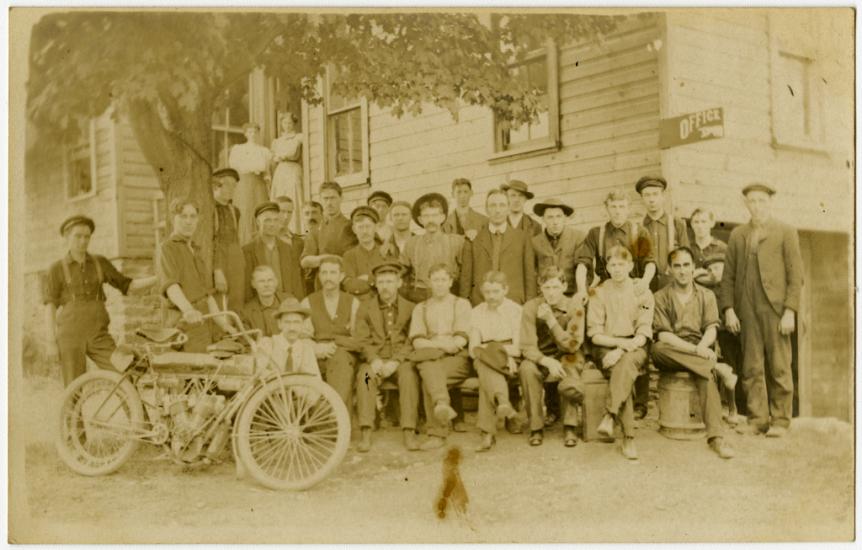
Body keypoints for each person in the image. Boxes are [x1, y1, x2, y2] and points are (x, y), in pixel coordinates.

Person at [720, 183, 803, 438]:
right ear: (746, 204)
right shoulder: (738, 235)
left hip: (775, 308)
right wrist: (729, 309)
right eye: (752, 201)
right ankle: (757, 419)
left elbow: (795, 275)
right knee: (751, 366)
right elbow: (728, 277)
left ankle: (780, 420)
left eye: (761, 201)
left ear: (770, 203)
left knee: (779, 365)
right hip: (746, 309)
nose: (756, 206)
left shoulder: (786, 232)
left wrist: (789, 310)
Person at [44, 215, 157, 386]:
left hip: (98, 334)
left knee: (124, 373)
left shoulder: (100, 262)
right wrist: (51, 342)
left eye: (87, 236)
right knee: (74, 387)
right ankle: (72, 414)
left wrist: (158, 278)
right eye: (78, 236)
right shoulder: (56, 269)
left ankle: (138, 414)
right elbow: (50, 307)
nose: (83, 241)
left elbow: (129, 285)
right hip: (70, 336)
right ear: (67, 237)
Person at [575, 190, 656, 419]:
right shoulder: (596, 233)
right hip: (607, 290)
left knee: (639, 339)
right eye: (613, 207)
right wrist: (582, 289)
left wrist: (646, 284)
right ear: (607, 208)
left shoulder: (638, 231)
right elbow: (583, 263)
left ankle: (640, 403)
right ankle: (602, 384)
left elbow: (650, 262)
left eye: (622, 207)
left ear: (628, 208)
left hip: (634, 288)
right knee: (598, 329)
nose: (618, 211)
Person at [651, 246, 736, 459]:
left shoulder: (706, 295)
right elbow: (663, 336)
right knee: (657, 348)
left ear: (694, 268)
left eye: (687, 265)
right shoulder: (660, 296)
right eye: (677, 266)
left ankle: (716, 438)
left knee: (705, 376)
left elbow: (711, 329)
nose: (682, 270)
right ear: (669, 269)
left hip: (700, 348)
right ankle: (717, 367)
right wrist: (697, 352)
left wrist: (702, 347)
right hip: (673, 350)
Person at [588, 245, 654, 460]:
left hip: (635, 345)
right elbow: (595, 335)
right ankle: (628, 438)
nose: (617, 269)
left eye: (621, 265)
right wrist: (618, 346)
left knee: (623, 366)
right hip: (606, 345)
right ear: (606, 267)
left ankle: (610, 415)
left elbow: (644, 330)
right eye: (612, 265)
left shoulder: (642, 292)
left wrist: (626, 347)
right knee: (622, 369)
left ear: (631, 266)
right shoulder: (598, 292)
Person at [354, 261, 421, 452]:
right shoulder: (365, 308)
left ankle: (409, 430)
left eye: (390, 282)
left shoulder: (410, 308)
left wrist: (396, 361)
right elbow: (362, 339)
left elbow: (411, 340)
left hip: (400, 360)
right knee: (365, 376)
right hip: (374, 359)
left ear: (399, 283)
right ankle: (366, 430)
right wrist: (373, 359)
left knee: (409, 376)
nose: (385, 286)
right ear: (375, 283)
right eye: (381, 282)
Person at [518, 266, 586, 448]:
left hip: (567, 355)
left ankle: (570, 425)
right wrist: (545, 361)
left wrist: (551, 321)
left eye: (555, 287)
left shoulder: (574, 306)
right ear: (540, 287)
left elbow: (573, 345)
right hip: (541, 356)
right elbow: (526, 345)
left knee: (570, 366)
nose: (551, 293)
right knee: (526, 368)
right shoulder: (531, 307)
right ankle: (536, 427)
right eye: (547, 287)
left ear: (564, 287)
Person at [157, 199, 237, 352]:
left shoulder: (196, 249)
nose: (188, 221)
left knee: (209, 369)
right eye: (183, 216)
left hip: (203, 321)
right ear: (173, 219)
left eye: (192, 216)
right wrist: (188, 311)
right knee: (190, 370)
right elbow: (171, 286)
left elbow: (207, 295)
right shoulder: (167, 248)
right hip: (183, 321)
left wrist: (224, 325)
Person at [409, 264, 473, 450]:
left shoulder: (461, 304)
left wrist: (434, 346)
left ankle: (437, 429)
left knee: (429, 373)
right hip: (431, 358)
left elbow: (459, 341)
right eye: (435, 280)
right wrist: (441, 346)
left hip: (456, 359)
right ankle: (441, 406)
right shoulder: (421, 308)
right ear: (429, 283)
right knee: (430, 369)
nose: (439, 284)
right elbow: (417, 341)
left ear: (451, 282)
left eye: (443, 280)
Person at [469, 271, 522, 452]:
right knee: (484, 363)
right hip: (484, 357)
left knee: (486, 377)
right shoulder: (476, 312)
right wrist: (493, 352)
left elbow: (518, 347)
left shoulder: (515, 310)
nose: (491, 296)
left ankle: (487, 433)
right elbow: (473, 349)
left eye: (496, 291)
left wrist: (501, 353)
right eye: (487, 292)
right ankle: (503, 403)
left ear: (505, 290)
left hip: (510, 357)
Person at [300, 255, 361, 408]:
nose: (328, 278)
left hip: (345, 356)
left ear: (341, 276)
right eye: (324, 273)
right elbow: (302, 337)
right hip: (317, 356)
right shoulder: (308, 302)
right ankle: (323, 418)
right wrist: (316, 349)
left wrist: (337, 345)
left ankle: (336, 415)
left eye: (333, 273)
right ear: (319, 276)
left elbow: (358, 339)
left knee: (340, 360)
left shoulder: (353, 302)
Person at [459, 188, 536, 306]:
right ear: (486, 209)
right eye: (493, 205)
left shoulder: (522, 238)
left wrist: (530, 305)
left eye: (502, 205)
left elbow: (530, 276)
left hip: (514, 304)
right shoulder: (474, 239)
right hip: (482, 304)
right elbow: (465, 279)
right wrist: (464, 305)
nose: (497, 210)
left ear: (508, 208)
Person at [400, 193, 465, 304]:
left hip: (448, 294)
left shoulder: (456, 242)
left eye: (434, 215)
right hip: (419, 296)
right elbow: (400, 268)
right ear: (420, 220)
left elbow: (466, 271)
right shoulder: (412, 243)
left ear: (442, 217)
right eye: (426, 216)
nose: (431, 220)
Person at [242, 202, 305, 302]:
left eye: (276, 220)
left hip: (286, 303)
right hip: (261, 305)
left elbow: (296, 282)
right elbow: (246, 287)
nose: (272, 224)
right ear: (258, 222)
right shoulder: (248, 250)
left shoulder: (288, 249)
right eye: (267, 220)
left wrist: (299, 304)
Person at [636, 175, 690, 291]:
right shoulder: (637, 228)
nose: (651, 199)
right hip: (647, 289)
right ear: (642, 199)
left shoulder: (677, 223)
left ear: (663, 196)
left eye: (655, 194)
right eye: (647, 195)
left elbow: (686, 258)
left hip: (674, 287)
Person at [301, 182, 358, 282]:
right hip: (322, 283)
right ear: (320, 200)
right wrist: (326, 258)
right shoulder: (316, 229)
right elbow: (304, 261)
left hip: (346, 281)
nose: (329, 203)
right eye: (325, 198)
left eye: (333, 198)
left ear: (341, 198)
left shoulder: (351, 226)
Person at [531, 198, 586, 299]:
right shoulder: (535, 242)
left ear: (565, 218)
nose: (555, 222)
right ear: (543, 219)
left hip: (571, 296)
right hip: (546, 297)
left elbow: (583, 268)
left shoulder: (578, 238)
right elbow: (532, 273)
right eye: (550, 217)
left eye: (558, 216)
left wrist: (579, 294)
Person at [342, 206, 398, 301]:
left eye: (368, 226)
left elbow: (392, 282)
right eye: (360, 227)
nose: (364, 231)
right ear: (354, 229)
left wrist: (367, 279)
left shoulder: (386, 252)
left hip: (384, 303)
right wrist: (377, 280)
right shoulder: (349, 256)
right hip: (360, 305)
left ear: (375, 227)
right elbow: (349, 285)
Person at [229, 123, 272, 245]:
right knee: (245, 210)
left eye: (255, 132)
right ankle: (244, 242)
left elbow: (267, 171)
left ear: (258, 134)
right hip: (244, 183)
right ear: (245, 134)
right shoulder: (238, 149)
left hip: (259, 184)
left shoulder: (264, 151)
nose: (252, 134)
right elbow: (235, 167)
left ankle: (261, 241)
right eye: (250, 132)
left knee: (259, 209)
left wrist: (268, 180)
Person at [254, 297, 320, 377]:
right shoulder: (267, 344)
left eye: (296, 322)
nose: (292, 328)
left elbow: (315, 382)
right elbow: (258, 375)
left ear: (302, 324)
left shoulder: (307, 350)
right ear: (279, 324)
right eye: (287, 322)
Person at [211, 168, 246, 313]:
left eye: (234, 185)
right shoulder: (209, 209)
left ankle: (235, 332)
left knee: (236, 300)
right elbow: (211, 241)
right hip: (217, 259)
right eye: (227, 184)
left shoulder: (235, 211)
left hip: (235, 258)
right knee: (218, 301)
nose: (232, 189)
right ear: (216, 185)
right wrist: (217, 269)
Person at [240, 265, 288, 338]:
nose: (266, 285)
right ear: (253, 284)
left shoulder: (288, 302)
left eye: (270, 280)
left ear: (276, 282)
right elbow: (247, 343)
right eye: (261, 281)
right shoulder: (246, 312)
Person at [269, 112, 303, 203]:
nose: (287, 126)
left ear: (294, 124)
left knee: (293, 192)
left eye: (289, 123)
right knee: (281, 193)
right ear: (281, 124)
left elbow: (293, 153)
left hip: (293, 168)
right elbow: (274, 158)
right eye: (285, 123)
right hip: (281, 170)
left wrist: (284, 156)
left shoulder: (298, 137)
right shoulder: (277, 141)